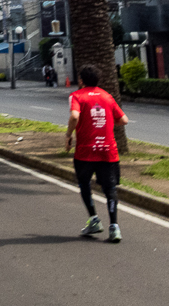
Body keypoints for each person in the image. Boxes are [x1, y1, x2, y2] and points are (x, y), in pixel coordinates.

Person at [66, 65, 127, 243]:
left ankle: (94, 219)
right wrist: (105, 124)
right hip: (108, 150)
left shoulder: (76, 96)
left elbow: (75, 116)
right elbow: (123, 120)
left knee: (84, 184)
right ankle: (114, 226)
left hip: (85, 151)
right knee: (110, 188)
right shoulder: (107, 97)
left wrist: (69, 135)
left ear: (81, 80)